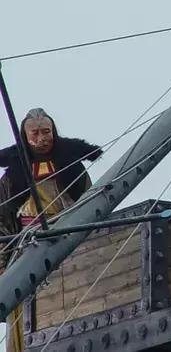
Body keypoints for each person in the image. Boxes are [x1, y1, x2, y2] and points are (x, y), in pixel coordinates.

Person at [0, 108, 103, 352]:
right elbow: (1, 223)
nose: (41, 138)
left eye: (46, 132)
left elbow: (93, 205)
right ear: (25, 137)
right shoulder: (12, 177)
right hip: (26, 250)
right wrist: (2, 265)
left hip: (69, 245)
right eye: (34, 133)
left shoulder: (73, 168)